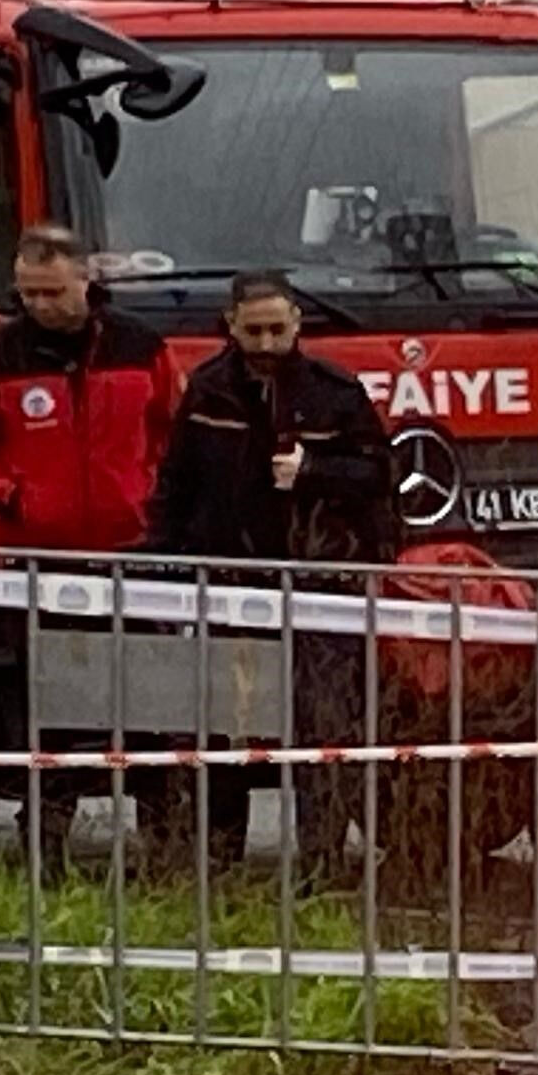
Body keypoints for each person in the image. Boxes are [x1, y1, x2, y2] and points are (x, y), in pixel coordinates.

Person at [0, 226, 178, 865]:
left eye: (51, 291)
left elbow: (169, 430)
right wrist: (15, 499)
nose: (40, 306)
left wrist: (147, 493)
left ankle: (162, 836)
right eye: (28, 294)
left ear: (84, 279)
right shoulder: (0, 353)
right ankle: (45, 833)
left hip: (131, 553)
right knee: (46, 707)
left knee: (148, 699)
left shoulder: (141, 346)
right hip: (38, 560)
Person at [144, 274, 396, 865]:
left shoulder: (335, 393)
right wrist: (169, 567)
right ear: (230, 325)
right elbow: (177, 487)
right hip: (232, 590)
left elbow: (380, 477)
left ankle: (321, 863)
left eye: (276, 329)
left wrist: (315, 472)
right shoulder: (206, 393)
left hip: (320, 587)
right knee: (227, 729)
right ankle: (221, 859)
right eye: (252, 330)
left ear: (297, 324)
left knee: (325, 731)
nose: (264, 342)